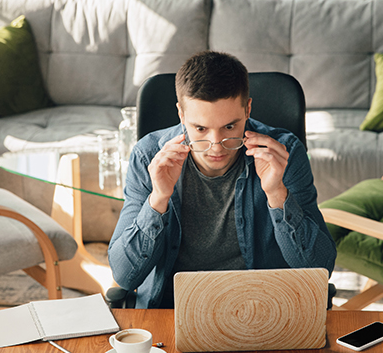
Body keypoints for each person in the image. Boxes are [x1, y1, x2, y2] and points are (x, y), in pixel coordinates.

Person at [107, 51, 336, 308]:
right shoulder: (149, 155)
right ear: (181, 114)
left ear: (247, 109)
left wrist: (276, 194)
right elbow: (124, 275)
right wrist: (158, 199)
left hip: (261, 308)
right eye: (201, 129)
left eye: (229, 127)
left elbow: (320, 268)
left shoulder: (284, 153)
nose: (216, 147)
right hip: (172, 310)